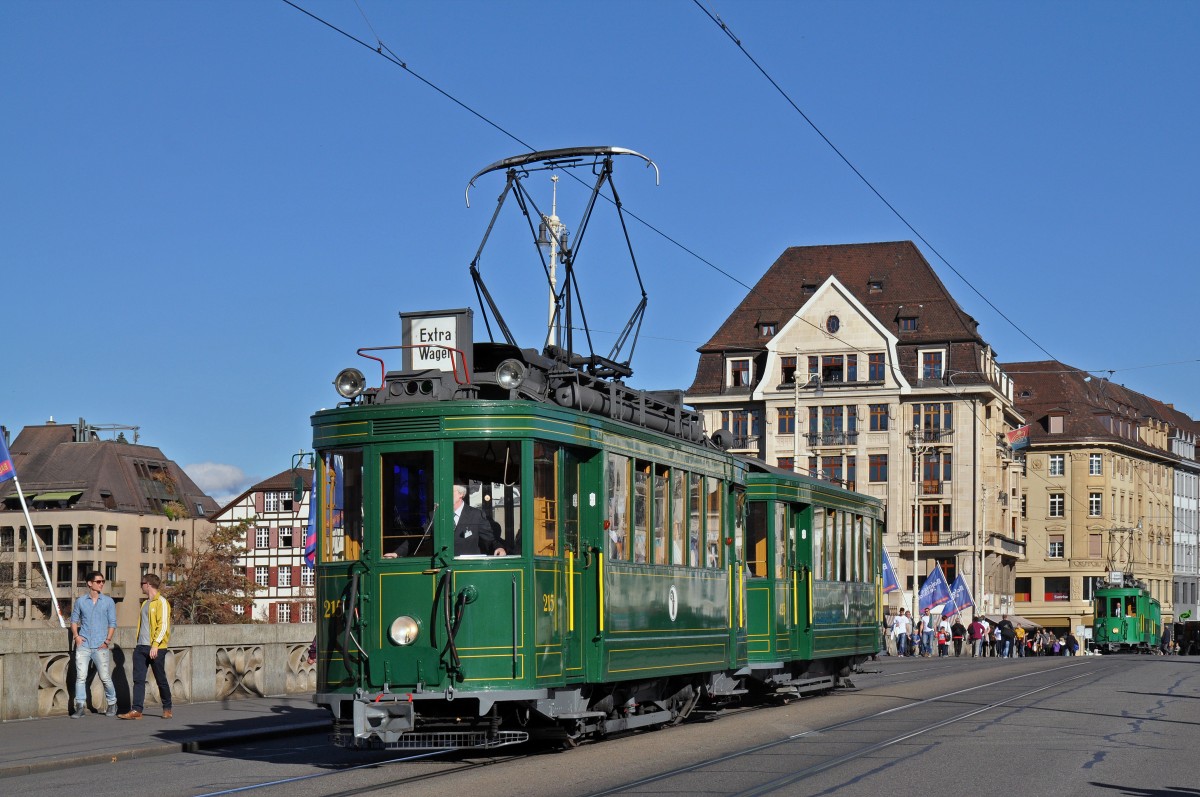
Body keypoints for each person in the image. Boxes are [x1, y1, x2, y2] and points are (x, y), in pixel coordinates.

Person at [117, 574, 173, 720]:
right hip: (141, 646)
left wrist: (155, 645)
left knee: (160, 678)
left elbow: (164, 626)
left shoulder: (162, 602)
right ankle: (136, 710)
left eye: (141, 583)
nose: (140, 586)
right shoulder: (145, 603)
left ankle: (167, 708)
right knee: (138, 679)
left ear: (147, 584)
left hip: (156, 648)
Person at [69, 570, 117, 718]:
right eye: (98, 581)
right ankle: (80, 706)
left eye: (103, 581)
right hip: (84, 644)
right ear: (90, 584)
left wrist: (107, 640)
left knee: (105, 677)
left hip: (100, 645)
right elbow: (73, 621)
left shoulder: (108, 601)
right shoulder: (81, 601)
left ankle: (112, 703)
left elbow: (112, 623)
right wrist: (76, 636)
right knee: (81, 677)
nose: (101, 584)